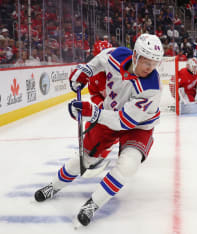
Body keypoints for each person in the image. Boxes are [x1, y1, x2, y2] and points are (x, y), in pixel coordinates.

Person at [34, 34, 164, 227]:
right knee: (85, 158)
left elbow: (124, 121)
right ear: (135, 55)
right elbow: (102, 58)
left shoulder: (152, 87)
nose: (150, 68)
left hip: (138, 126)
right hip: (110, 114)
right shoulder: (118, 55)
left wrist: (92, 112)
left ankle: (92, 204)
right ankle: (53, 186)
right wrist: (86, 70)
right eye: (146, 62)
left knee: (128, 164)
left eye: (154, 63)